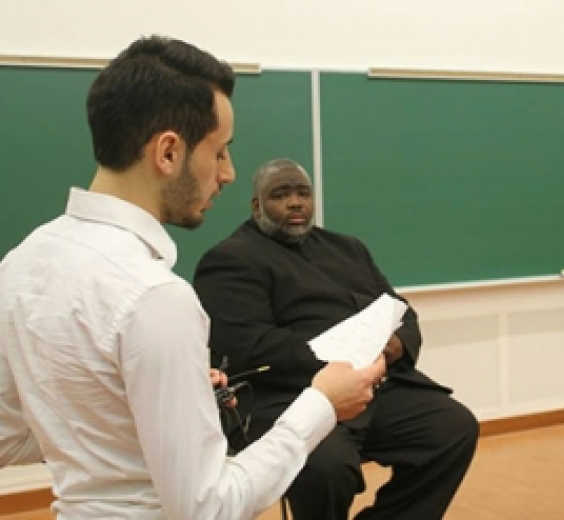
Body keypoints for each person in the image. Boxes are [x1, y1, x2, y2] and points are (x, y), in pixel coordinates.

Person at [0, 36, 385, 520]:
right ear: (168, 152)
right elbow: (207, 507)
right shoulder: (154, 297)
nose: (227, 173)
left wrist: (134, 405)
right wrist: (322, 404)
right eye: (220, 152)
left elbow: (8, 437)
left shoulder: (21, 262)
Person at [193, 158, 479, 520]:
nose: (296, 202)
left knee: (452, 429)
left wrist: (396, 346)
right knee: (326, 469)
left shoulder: (348, 249)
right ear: (257, 205)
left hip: (375, 387)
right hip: (292, 395)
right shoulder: (230, 259)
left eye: (303, 193)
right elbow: (248, 346)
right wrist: (345, 357)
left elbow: (400, 311)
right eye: (281, 195)